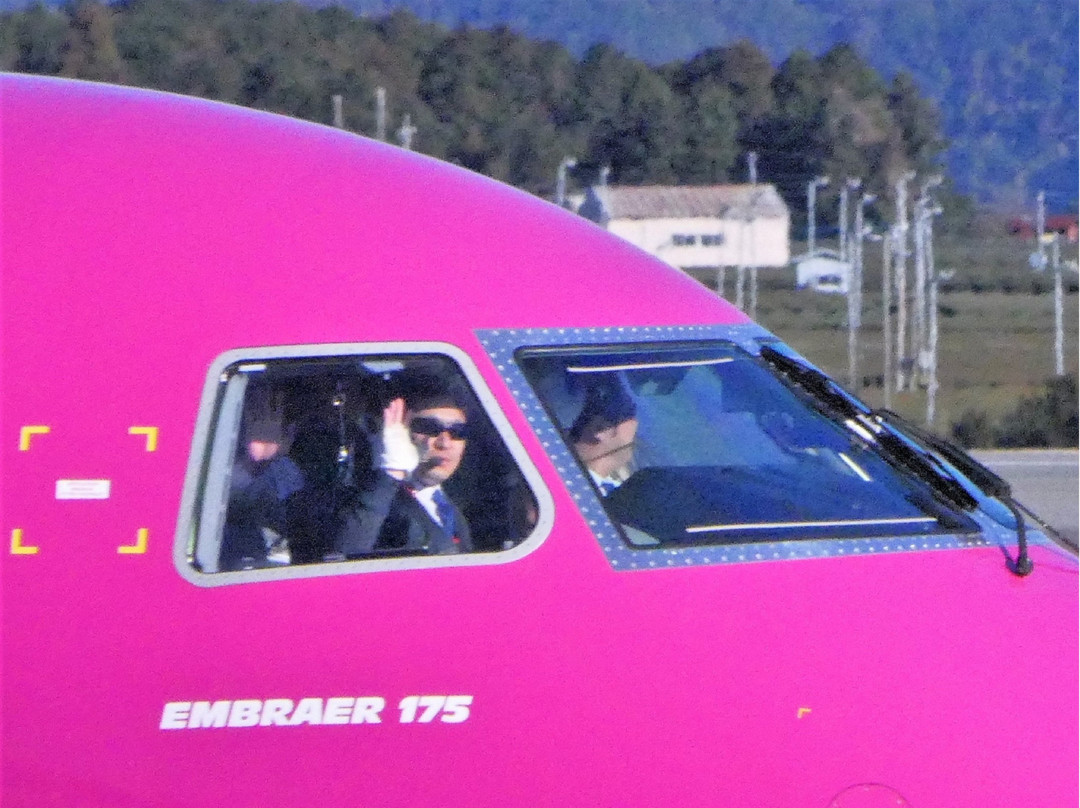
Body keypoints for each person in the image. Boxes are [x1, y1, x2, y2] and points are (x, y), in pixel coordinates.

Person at [333, 375, 474, 557]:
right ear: (397, 432)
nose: (445, 443)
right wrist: (392, 472)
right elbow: (347, 554)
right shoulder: (373, 500)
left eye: (458, 431)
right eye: (429, 427)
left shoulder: (455, 503)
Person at [565, 374, 639, 496]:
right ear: (601, 429)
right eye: (628, 415)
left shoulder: (620, 495)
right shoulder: (557, 481)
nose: (634, 440)